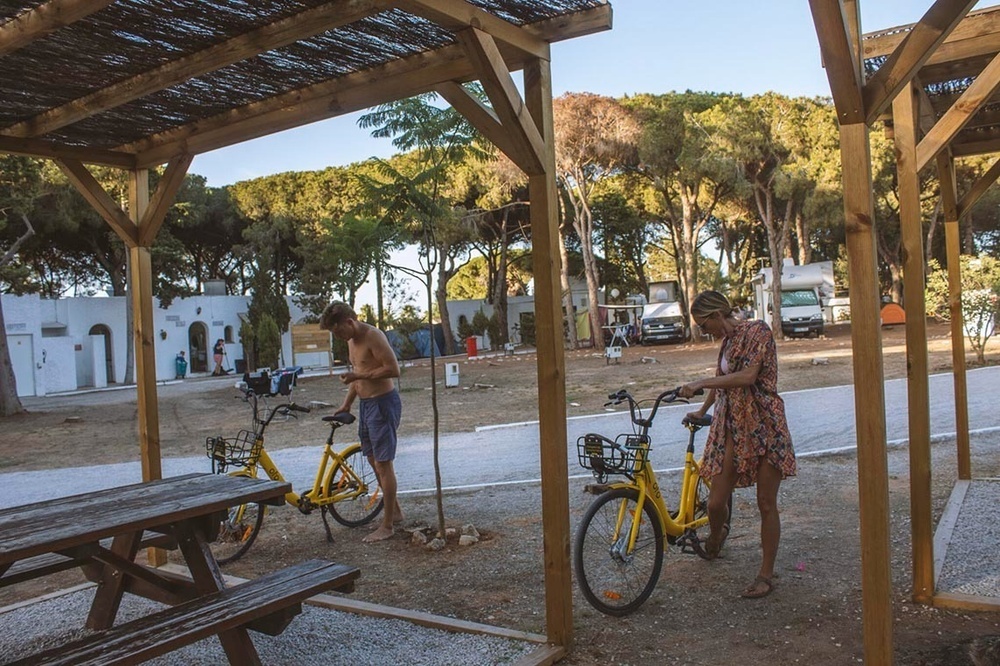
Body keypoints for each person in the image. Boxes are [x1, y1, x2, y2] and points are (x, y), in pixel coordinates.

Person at [678, 290, 796, 599]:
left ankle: (765, 575)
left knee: (766, 502)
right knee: (716, 502)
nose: (705, 332)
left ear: (718, 315)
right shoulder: (726, 344)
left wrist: (700, 382)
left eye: (704, 325)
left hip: (765, 426)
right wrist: (702, 411)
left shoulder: (757, 330)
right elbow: (723, 381)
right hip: (734, 426)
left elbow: (746, 377)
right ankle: (716, 537)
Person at [320, 301, 403, 543]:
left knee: (383, 464)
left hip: (383, 404)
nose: (338, 337)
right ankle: (394, 511)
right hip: (366, 405)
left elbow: (393, 369)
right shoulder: (350, 341)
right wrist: (347, 404)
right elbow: (357, 376)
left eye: (338, 332)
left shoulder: (373, 336)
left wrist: (360, 375)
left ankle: (387, 526)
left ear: (349, 322)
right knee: (372, 459)